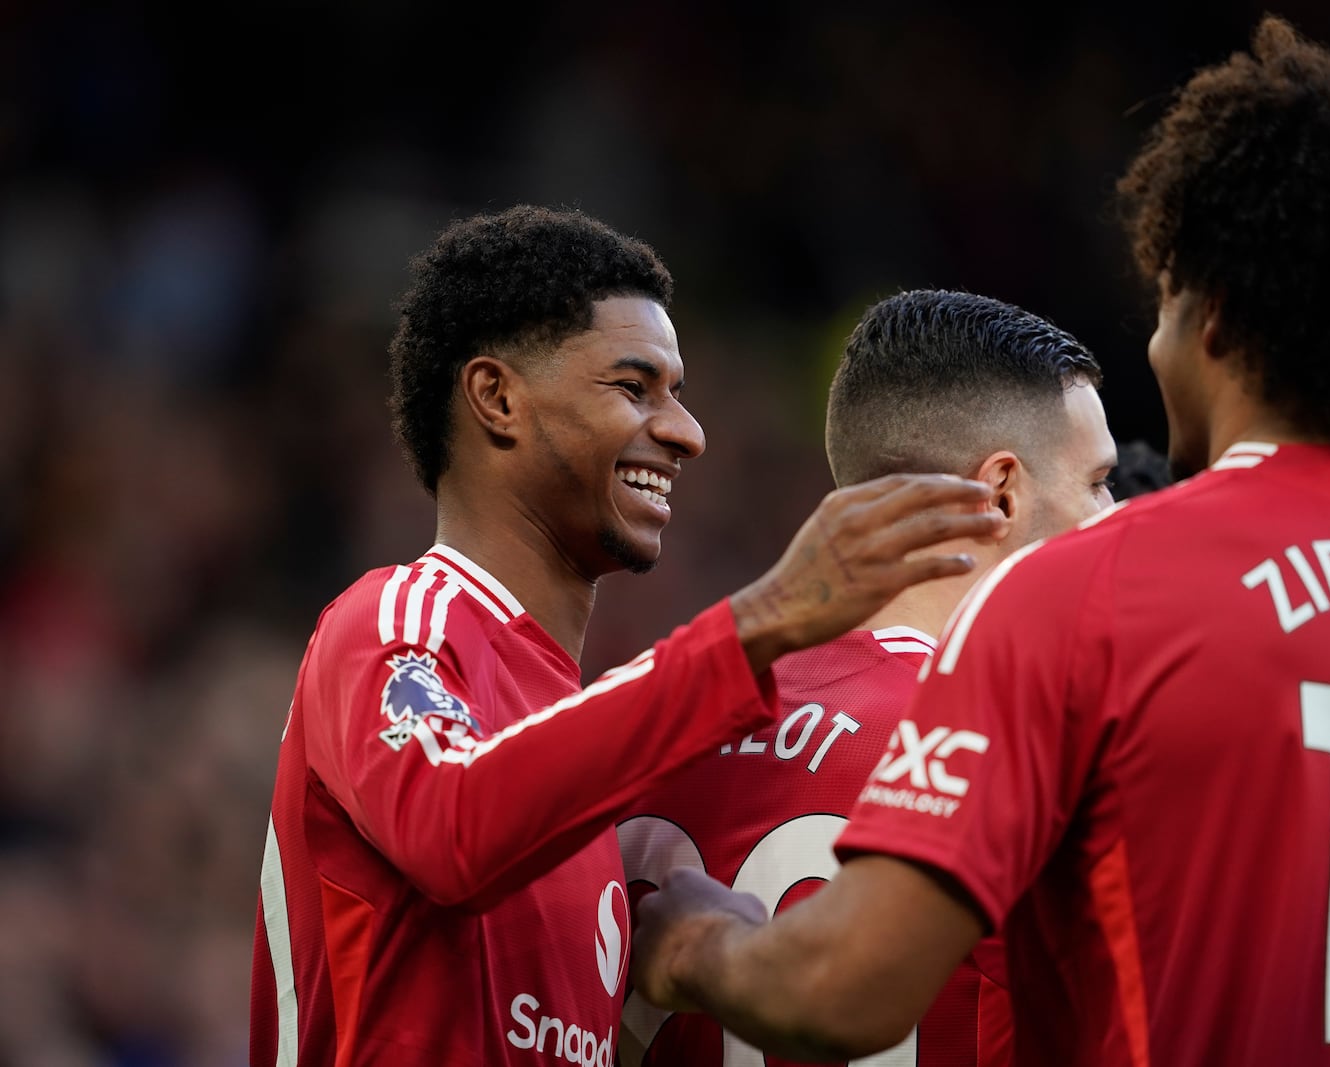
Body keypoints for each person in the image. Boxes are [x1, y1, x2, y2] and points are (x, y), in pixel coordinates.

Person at [629, 17, 1330, 1066]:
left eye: (1164, 297)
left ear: (1214, 320)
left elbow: (841, 988)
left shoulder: (1088, 591)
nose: (1152, 334)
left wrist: (689, 936)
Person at [248, 205, 1005, 1066]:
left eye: (677, 393)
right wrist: (763, 618)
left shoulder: (579, 759)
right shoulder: (400, 619)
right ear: (498, 398)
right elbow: (451, 822)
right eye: (634, 386)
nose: (687, 432)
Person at [616, 288, 1117, 1067]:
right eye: (1098, 481)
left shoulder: (646, 732)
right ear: (1002, 493)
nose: (1114, 518)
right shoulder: (1023, 752)